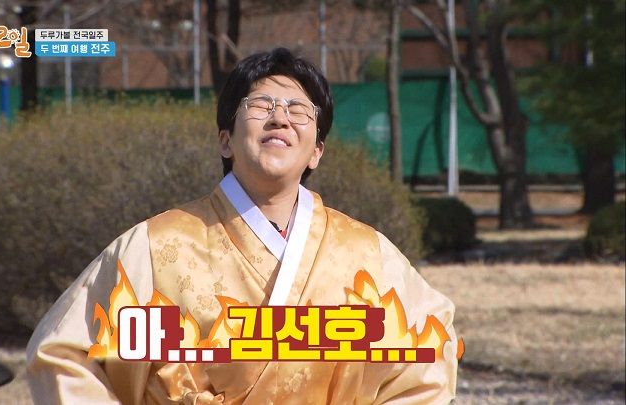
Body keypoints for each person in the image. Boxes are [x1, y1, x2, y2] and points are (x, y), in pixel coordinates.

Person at [26, 47, 458, 404]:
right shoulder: (157, 246)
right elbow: (65, 356)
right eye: (261, 105)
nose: (280, 118)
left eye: (298, 110)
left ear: (317, 151)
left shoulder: (366, 252)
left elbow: (430, 354)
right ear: (225, 139)